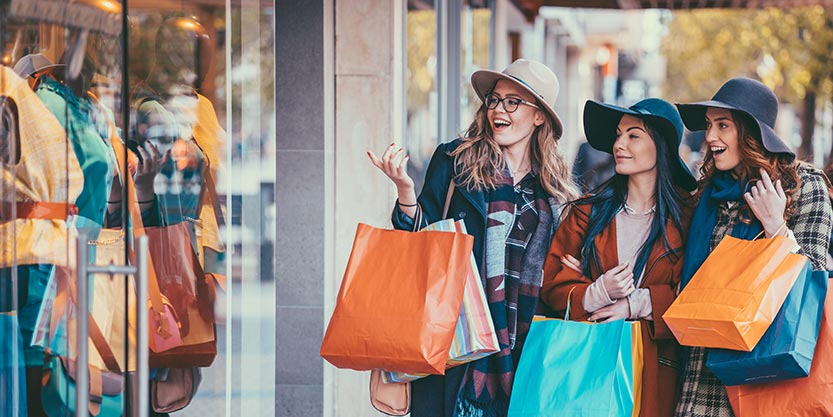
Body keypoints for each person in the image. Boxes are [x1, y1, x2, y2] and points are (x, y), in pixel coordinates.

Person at [368, 58, 578, 417]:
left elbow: (559, 275)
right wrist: (405, 191)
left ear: (539, 116)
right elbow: (420, 240)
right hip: (456, 343)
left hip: (526, 353)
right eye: (495, 100)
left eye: (514, 102)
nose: (499, 109)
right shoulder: (455, 161)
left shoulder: (554, 193)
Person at [673, 77, 833, 417]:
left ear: (751, 133)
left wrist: (776, 227)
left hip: (764, 375)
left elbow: (816, 278)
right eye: (708, 126)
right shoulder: (707, 195)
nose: (711, 137)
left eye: (723, 125)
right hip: (699, 374)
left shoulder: (804, 186)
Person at [540, 98, 697, 417]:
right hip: (589, 369)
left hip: (656, 373)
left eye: (633, 135)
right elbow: (552, 286)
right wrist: (597, 291)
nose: (619, 144)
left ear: (661, 146)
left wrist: (634, 303)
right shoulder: (587, 212)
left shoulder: (689, 220)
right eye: (618, 134)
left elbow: (694, 296)